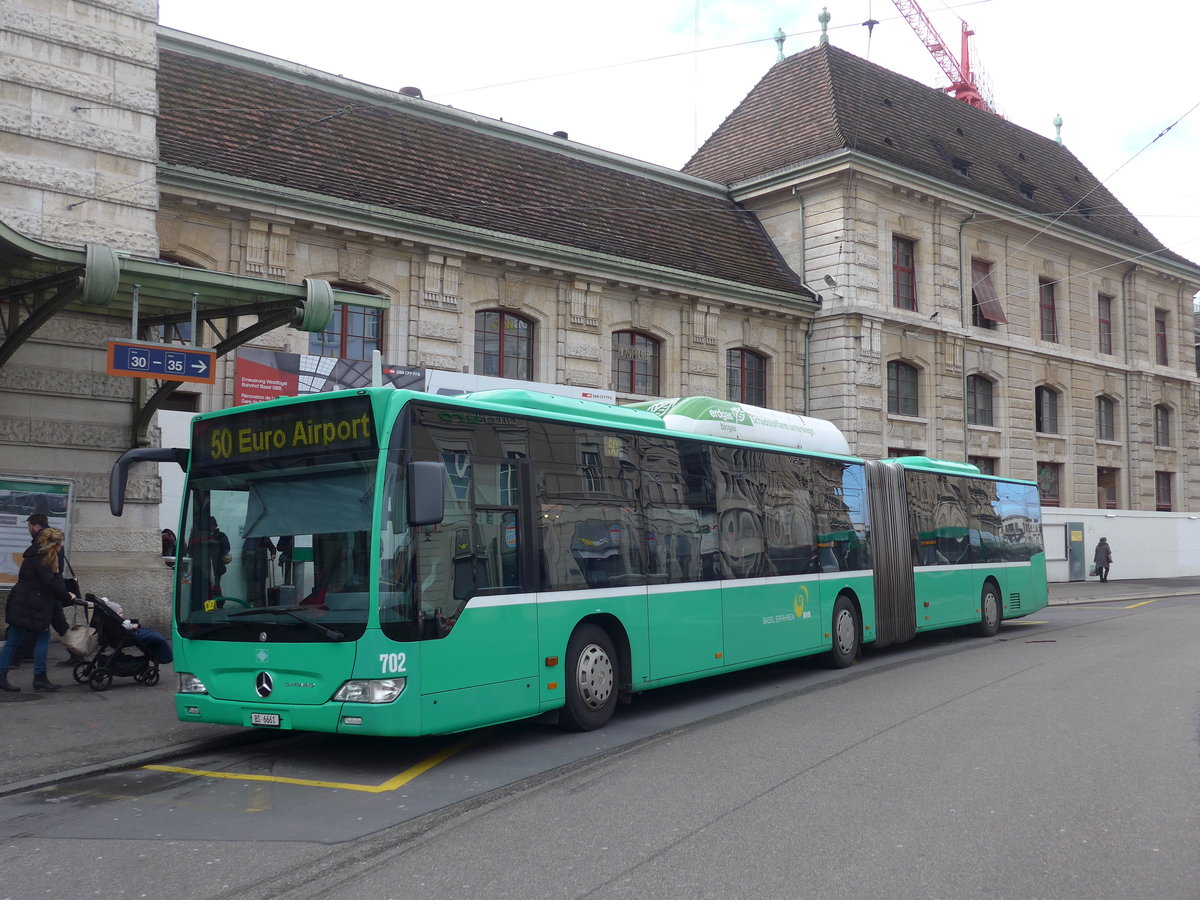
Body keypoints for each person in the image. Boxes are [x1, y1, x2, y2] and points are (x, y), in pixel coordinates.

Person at [0, 527, 76, 692]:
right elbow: (49, 582)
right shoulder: (44, 558)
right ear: (54, 544)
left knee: (13, 640)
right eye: (60, 543)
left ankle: (1, 676)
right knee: (43, 638)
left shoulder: (33, 554)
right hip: (33, 604)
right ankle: (40, 678)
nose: (61, 546)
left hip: (21, 601)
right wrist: (67, 596)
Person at [18, 513, 83, 667]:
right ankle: (76, 654)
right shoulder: (50, 539)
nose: (28, 529)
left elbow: (53, 570)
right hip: (52, 588)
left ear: (36, 526)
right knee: (59, 624)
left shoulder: (45, 542)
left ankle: (22, 656)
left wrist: (60, 592)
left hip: (48, 590)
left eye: (29, 526)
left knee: (44, 624)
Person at [240, 534, 277, 605]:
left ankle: (259, 604)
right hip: (252, 567)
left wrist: (273, 553)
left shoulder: (264, 537)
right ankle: (252, 604)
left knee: (260, 587)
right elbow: (244, 552)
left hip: (260, 567)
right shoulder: (250, 538)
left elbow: (272, 548)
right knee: (252, 586)